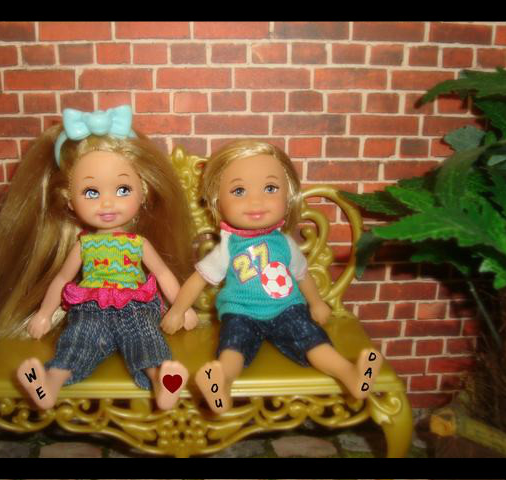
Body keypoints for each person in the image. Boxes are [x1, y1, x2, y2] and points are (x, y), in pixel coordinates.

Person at [0, 106, 198, 410]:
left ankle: (160, 380)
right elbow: (62, 279)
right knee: (78, 342)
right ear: (69, 201)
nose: (107, 203)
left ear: (143, 192)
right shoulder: (83, 245)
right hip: (91, 307)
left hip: (135, 305)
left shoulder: (138, 244)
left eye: (122, 189)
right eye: (90, 192)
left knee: (146, 340)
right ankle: (49, 383)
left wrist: (181, 308)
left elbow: (164, 274)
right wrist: (45, 314)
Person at [162, 140, 382, 413]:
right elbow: (199, 279)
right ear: (218, 201)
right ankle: (221, 382)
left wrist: (316, 303)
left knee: (313, 341)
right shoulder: (229, 246)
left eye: (270, 188)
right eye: (239, 191)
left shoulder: (284, 243)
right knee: (233, 348)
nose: (256, 201)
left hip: (287, 308)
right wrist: (177, 310)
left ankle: (351, 375)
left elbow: (302, 275)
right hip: (241, 312)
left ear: (288, 196)